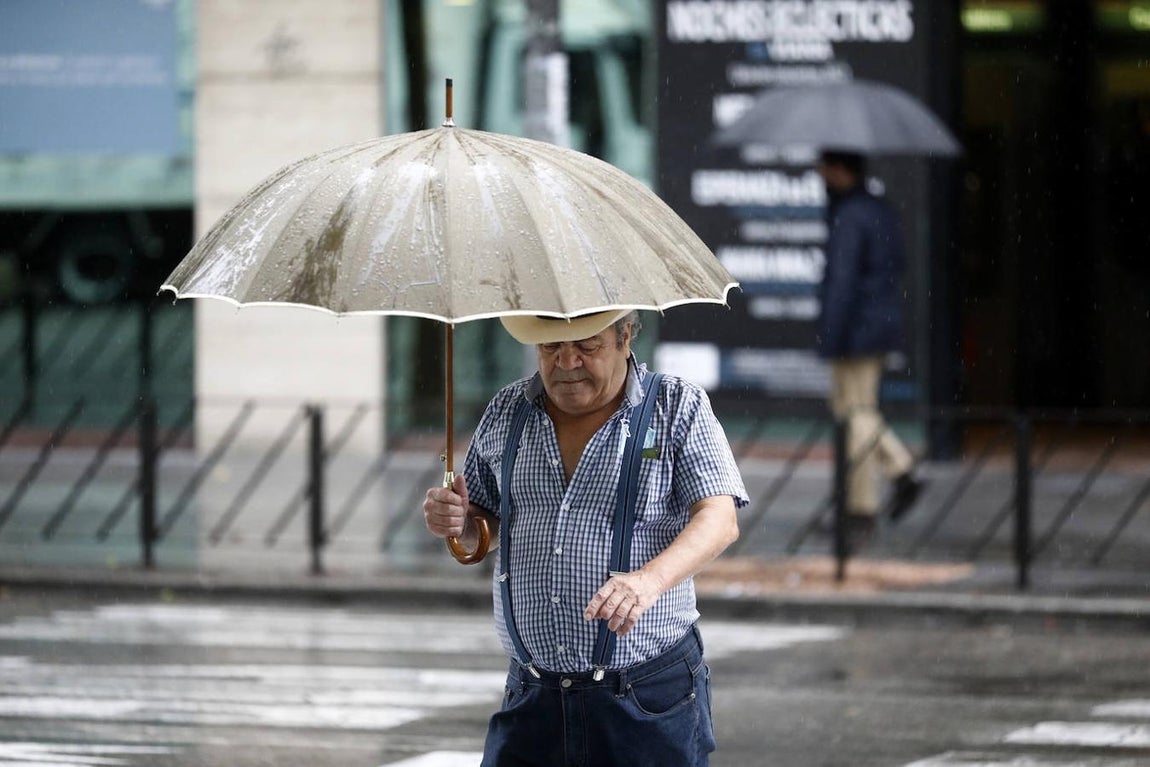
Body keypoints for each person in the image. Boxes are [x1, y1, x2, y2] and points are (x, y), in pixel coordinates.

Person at [423, 308, 747, 767]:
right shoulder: (507, 409)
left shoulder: (677, 405)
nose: (567, 362)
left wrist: (648, 581)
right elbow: (485, 524)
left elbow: (719, 519)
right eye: (551, 347)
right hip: (532, 696)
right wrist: (456, 521)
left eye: (586, 346)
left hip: (643, 696)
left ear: (625, 336)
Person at [815, 150, 925, 550]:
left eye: (824, 169)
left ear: (840, 170)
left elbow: (842, 281)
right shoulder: (878, 209)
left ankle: (891, 481)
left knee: (854, 415)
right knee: (857, 412)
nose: (821, 177)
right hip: (876, 325)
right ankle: (861, 505)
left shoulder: (850, 215)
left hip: (855, 330)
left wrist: (832, 334)